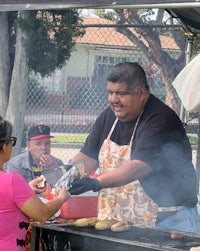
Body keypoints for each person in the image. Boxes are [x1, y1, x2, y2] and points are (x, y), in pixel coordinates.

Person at [69, 62, 200, 233]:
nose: (113, 100)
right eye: (110, 93)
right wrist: (66, 174)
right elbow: (88, 156)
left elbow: (139, 167)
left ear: (141, 94)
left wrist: (95, 182)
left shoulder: (160, 119)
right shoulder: (110, 116)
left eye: (121, 93)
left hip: (169, 222)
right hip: (121, 224)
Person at [0, 116, 70, 251]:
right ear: (4, 147)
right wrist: (61, 198)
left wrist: (26, 188)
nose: (43, 148)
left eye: (47, 143)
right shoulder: (11, 179)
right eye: (11, 142)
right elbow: (42, 214)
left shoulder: (56, 162)